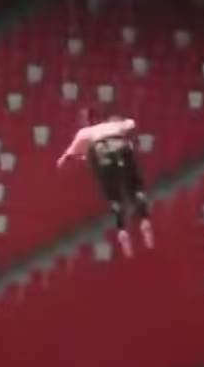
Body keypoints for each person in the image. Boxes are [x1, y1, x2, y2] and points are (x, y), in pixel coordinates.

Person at [56, 108, 154, 257]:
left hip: (102, 152)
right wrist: (122, 125)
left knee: (114, 196)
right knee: (135, 187)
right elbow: (132, 124)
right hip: (122, 147)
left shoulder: (84, 132)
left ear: (85, 122)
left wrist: (67, 160)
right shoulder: (114, 124)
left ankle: (122, 229)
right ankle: (144, 219)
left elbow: (67, 157)